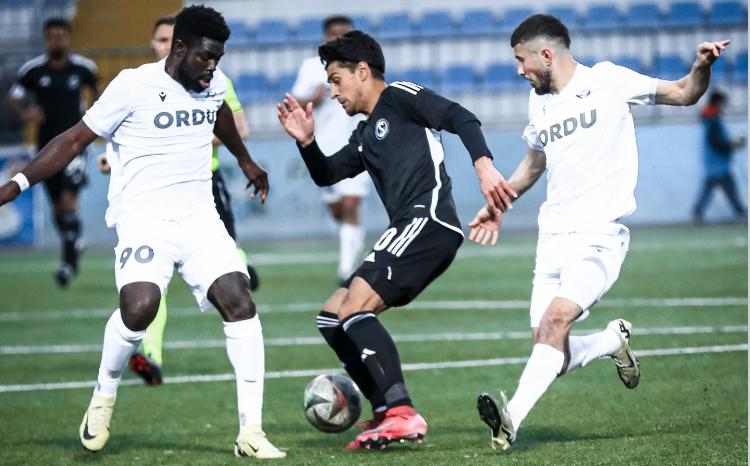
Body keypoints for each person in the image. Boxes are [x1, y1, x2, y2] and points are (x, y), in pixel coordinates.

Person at [0, 5, 284, 459]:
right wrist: (16, 185)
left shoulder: (212, 83)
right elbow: (73, 140)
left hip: (200, 219)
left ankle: (251, 431)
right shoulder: (132, 85)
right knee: (139, 308)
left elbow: (220, 116)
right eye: (206, 57)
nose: (213, 66)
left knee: (240, 301)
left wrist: (246, 161)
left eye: (218, 58)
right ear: (179, 48)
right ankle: (104, 393)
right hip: (144, 220)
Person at [468, 14, 731, 452]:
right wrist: (499, 203)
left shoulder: (609, 80)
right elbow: (534, 164)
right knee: (551, 351)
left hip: (599, 237)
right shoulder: (539, 102)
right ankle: (611, 341)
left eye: (521, 60)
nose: (518, 70)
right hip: (552, 239)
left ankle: (509, 422)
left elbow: (685, 92)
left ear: (546, 54)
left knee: (553, 323)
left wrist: (701, 65)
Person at [277, 30, 516, 450]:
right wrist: (307, 143)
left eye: (336, 80)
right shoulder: (366, 133)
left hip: (429, 220)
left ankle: (402, 412)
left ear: (362, 71)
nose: (332, 92)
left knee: (355, 308)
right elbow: (327, 174)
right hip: (409, 226)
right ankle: (386, 410)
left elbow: (460, 116)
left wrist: (483, 166)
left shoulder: (401, 97)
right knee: (332, 316)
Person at [98, 15, 262, 387]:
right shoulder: (141, 85)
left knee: (228, 269)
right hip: (155, 199)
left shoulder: (215, 80)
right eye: (159, 40)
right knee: (153, 284)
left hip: (204, 189)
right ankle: (152, 353)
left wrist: (184, 136)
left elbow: (240, 128)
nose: (163, 45)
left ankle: (241, 261)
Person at [8, 18, 98, 287]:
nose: (57, 41)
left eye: (61, 36)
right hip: (46, 149)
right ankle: (74, 239)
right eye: (52, 36)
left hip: (76, 145)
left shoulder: (83, 68)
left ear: (68, 38)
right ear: (47, 39)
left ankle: (67, 265)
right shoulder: (33, 70)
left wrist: (93, 116)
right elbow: (14, 96)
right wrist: (26, 111)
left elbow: (99, 92)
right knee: (58, 208)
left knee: (69, 203)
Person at [291, 15, 370, 285]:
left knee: (350, 204)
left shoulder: (361, 66)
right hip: (322, 146)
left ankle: (346, 270)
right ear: (325, 36)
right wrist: (311, 99)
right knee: (337, 209)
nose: (338, 37)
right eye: (334, 32)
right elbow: (295, 102)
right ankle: (353, 240)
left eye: (344, 32)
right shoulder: (312, 67)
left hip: (357, 143)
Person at [692, 90, 747, 224]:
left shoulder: (710, 119)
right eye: (723, 103)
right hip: (719, 164)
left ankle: (697, 213)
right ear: (718, 102)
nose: (724, 106)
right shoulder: (713, 121)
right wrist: (732, 144)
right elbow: (716, 142)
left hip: (713, 163)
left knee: (708, 191)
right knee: (731, 191)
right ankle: (742, 214)